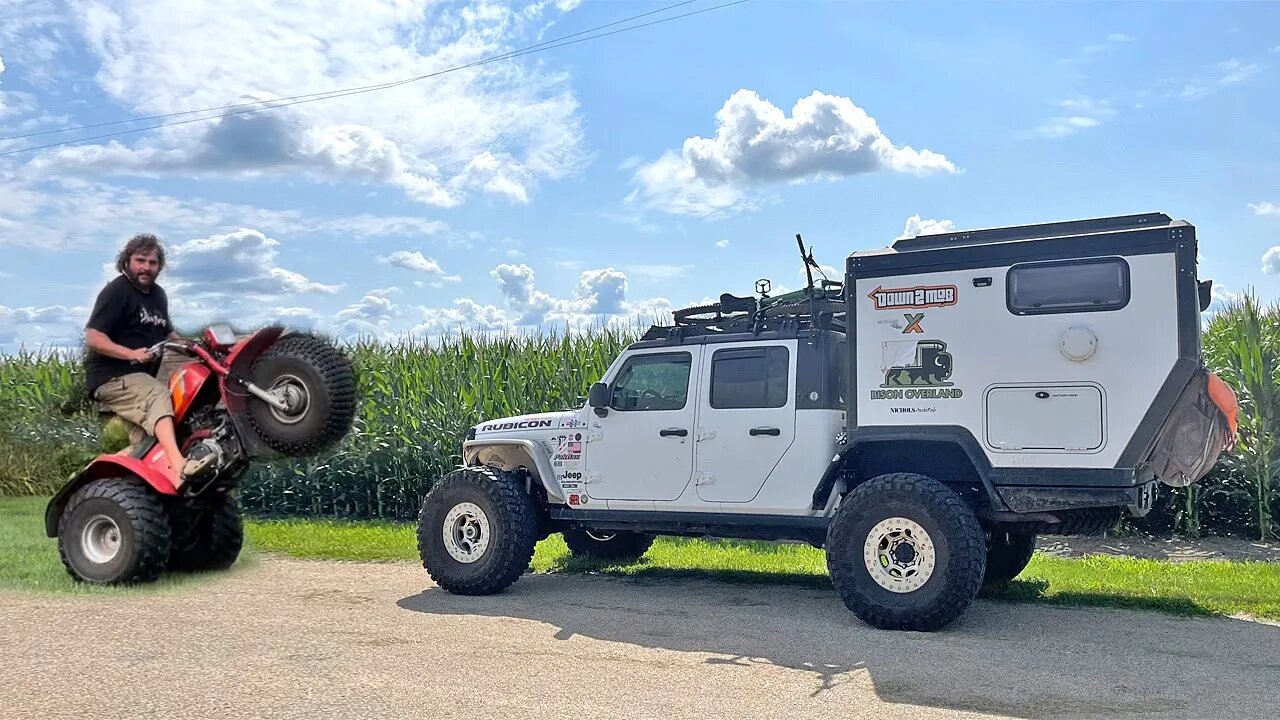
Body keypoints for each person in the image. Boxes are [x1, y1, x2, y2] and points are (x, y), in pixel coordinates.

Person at [83, 233, 213, 489]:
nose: (146, 267)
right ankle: (180, 467)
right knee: (157, 395)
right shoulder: (117, 291)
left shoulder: (158, 296)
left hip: (136, 379)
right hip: (113, 376)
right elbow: (93, 337)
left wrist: (194, 347)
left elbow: (167, 333)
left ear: (159, 266)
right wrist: (131, 354)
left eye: (152, 262)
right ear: (127, 261)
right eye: (140, 260)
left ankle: (93, 478)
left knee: (148, 445)